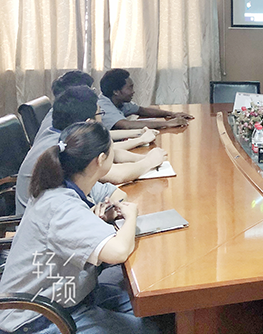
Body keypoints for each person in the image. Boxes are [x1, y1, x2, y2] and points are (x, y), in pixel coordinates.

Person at [0, 122, 161, 334]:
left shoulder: (63, 184)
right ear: (101, 159)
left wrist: (97, 219)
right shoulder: (60, 205)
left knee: (157, 309)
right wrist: (131, 217)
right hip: (38, 318)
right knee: (149, 328)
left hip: (70, 294)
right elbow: (118, 252)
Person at [15, 85, 166, 215]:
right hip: (48, 226)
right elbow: (117, 175)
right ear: (89, 122)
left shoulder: (61, 135)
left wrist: (140, 151)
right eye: (100, 114)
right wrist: (149, 161)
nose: (102, 120)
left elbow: (110, 155)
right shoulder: (65, 150)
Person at [39, 70, 159, 147]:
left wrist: (140, 133)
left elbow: (103, 136)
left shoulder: (63, 111)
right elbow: (102, 150)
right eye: (89, 89)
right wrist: (140, 140)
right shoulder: (66, 120)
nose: (93, 93)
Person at [98, 69, 193, 130]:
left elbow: (142, 110)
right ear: (116, 92)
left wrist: (172, 114)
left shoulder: (119, 100)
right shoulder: (103, 106)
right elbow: (126, 125)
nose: (133, 92)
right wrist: (167, 123)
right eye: (130, 88)